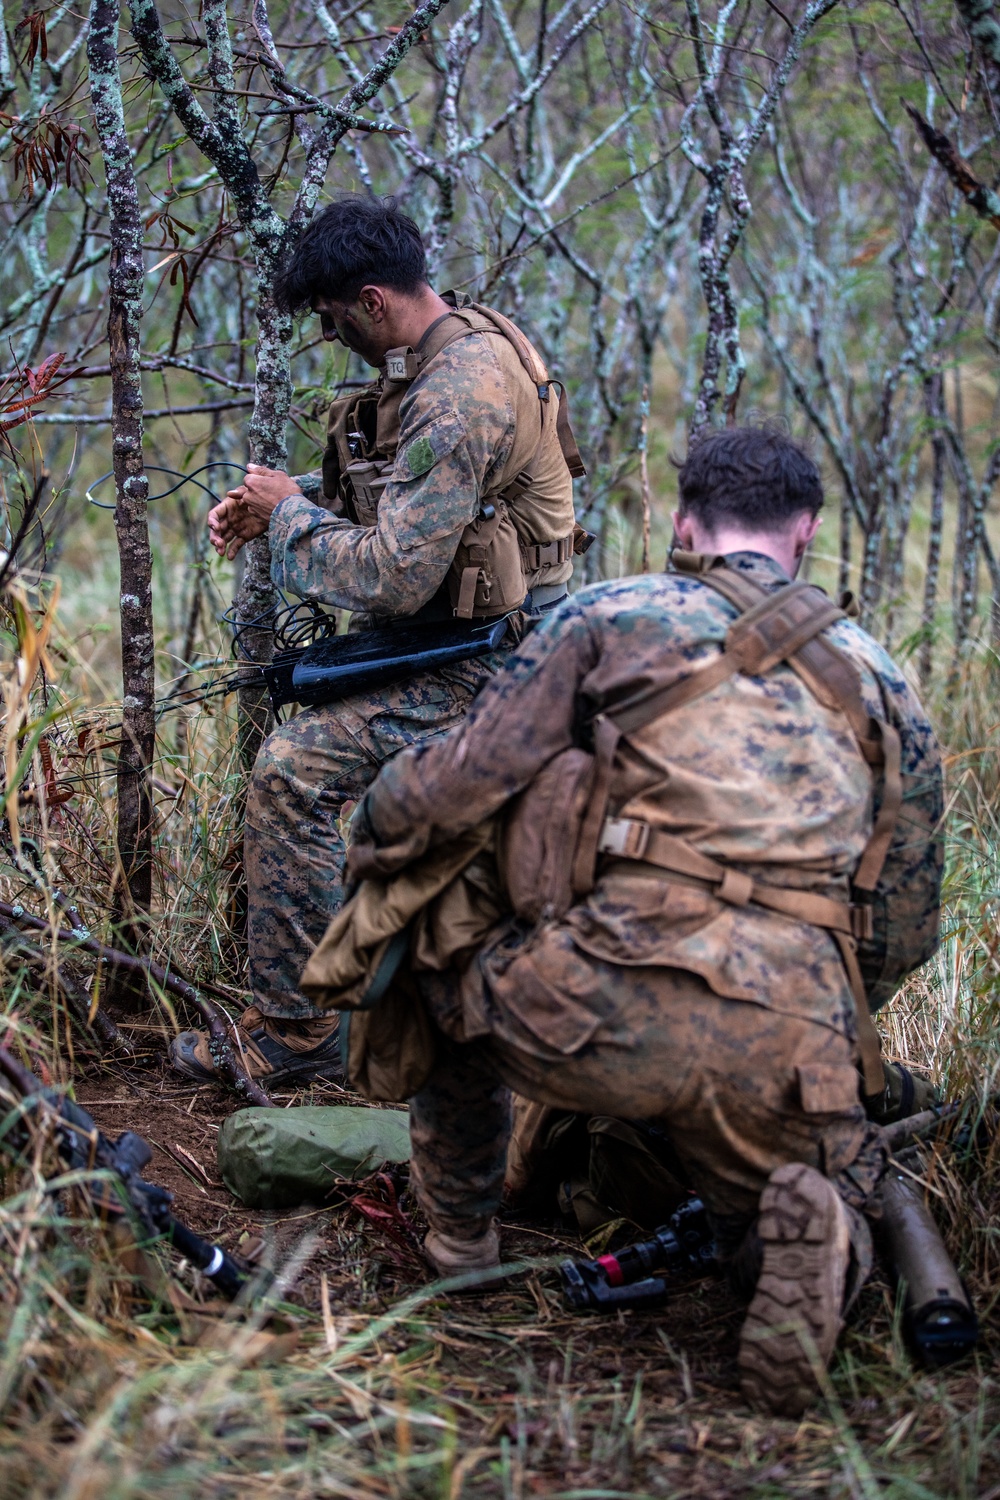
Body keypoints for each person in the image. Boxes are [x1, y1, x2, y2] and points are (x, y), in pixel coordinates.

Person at [339, 425, 943, 1415]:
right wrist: (823, 1026)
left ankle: (461, 1244)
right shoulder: (883, 680)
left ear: (683, 524)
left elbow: (457, 786)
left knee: (436, 952)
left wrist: (380, 829)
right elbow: (907, 924)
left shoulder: (611, 613)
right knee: (760, 1208)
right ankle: (801, 1242)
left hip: (596, 1001)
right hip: (790, 1036)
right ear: (805, 534)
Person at [169, 195, 585, 1084]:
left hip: (495, 662)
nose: (335, 342)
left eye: (331, 323)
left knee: (291, 771)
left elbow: (394, 576)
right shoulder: (445, 347)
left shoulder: (457, 393)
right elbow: (413, 531)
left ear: (371, 300)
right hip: (461, 638)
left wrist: (287, 522)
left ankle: (297, 1040)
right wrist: (288, 511)